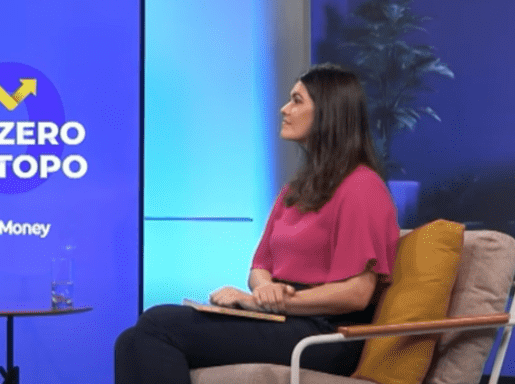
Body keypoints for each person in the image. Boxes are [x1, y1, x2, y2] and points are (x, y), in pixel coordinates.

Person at [114, 63, 400, 384]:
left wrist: (273, 301)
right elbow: (260, 266)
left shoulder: (362, 187)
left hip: (327, 335)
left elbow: (357, 294)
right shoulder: (295, 190)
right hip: (284, 319)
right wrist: (264, 290)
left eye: (297, 100)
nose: (284, 109)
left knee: (159, 323)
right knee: (131, 341)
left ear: (328, 113)